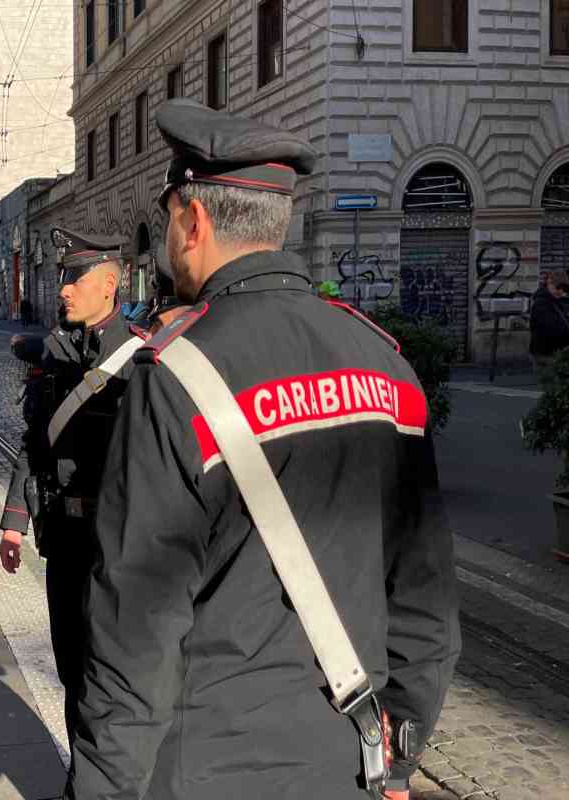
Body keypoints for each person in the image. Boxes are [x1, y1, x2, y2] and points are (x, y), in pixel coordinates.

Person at [68, 101, 461, 800]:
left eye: (168, 221)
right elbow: (425, 598)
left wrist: (102, 787)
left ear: (194, 221)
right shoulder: (388, 365)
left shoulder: (177, 376)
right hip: (349, 758)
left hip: (206, 766)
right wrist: (401, 754)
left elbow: (136, 628)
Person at [0, 227, 144, 765]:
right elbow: (34, 440)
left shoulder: (140, 357)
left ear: (108, 283)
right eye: (61, 278)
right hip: (63, 540)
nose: (63, 289)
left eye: (74, 278)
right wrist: (13, 520)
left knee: (114, 675)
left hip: (120, 548)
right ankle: (81, 777)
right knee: (69, 669)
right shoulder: (54, 351)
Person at [530, 268, 569, 386]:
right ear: (549, 283)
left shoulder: (556, 301)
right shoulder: (541, 303)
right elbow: (551, 329)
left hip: (554, 353)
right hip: (546, 354)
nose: (560, 291)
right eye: (558, 288)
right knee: (552, 390)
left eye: (564, 289)